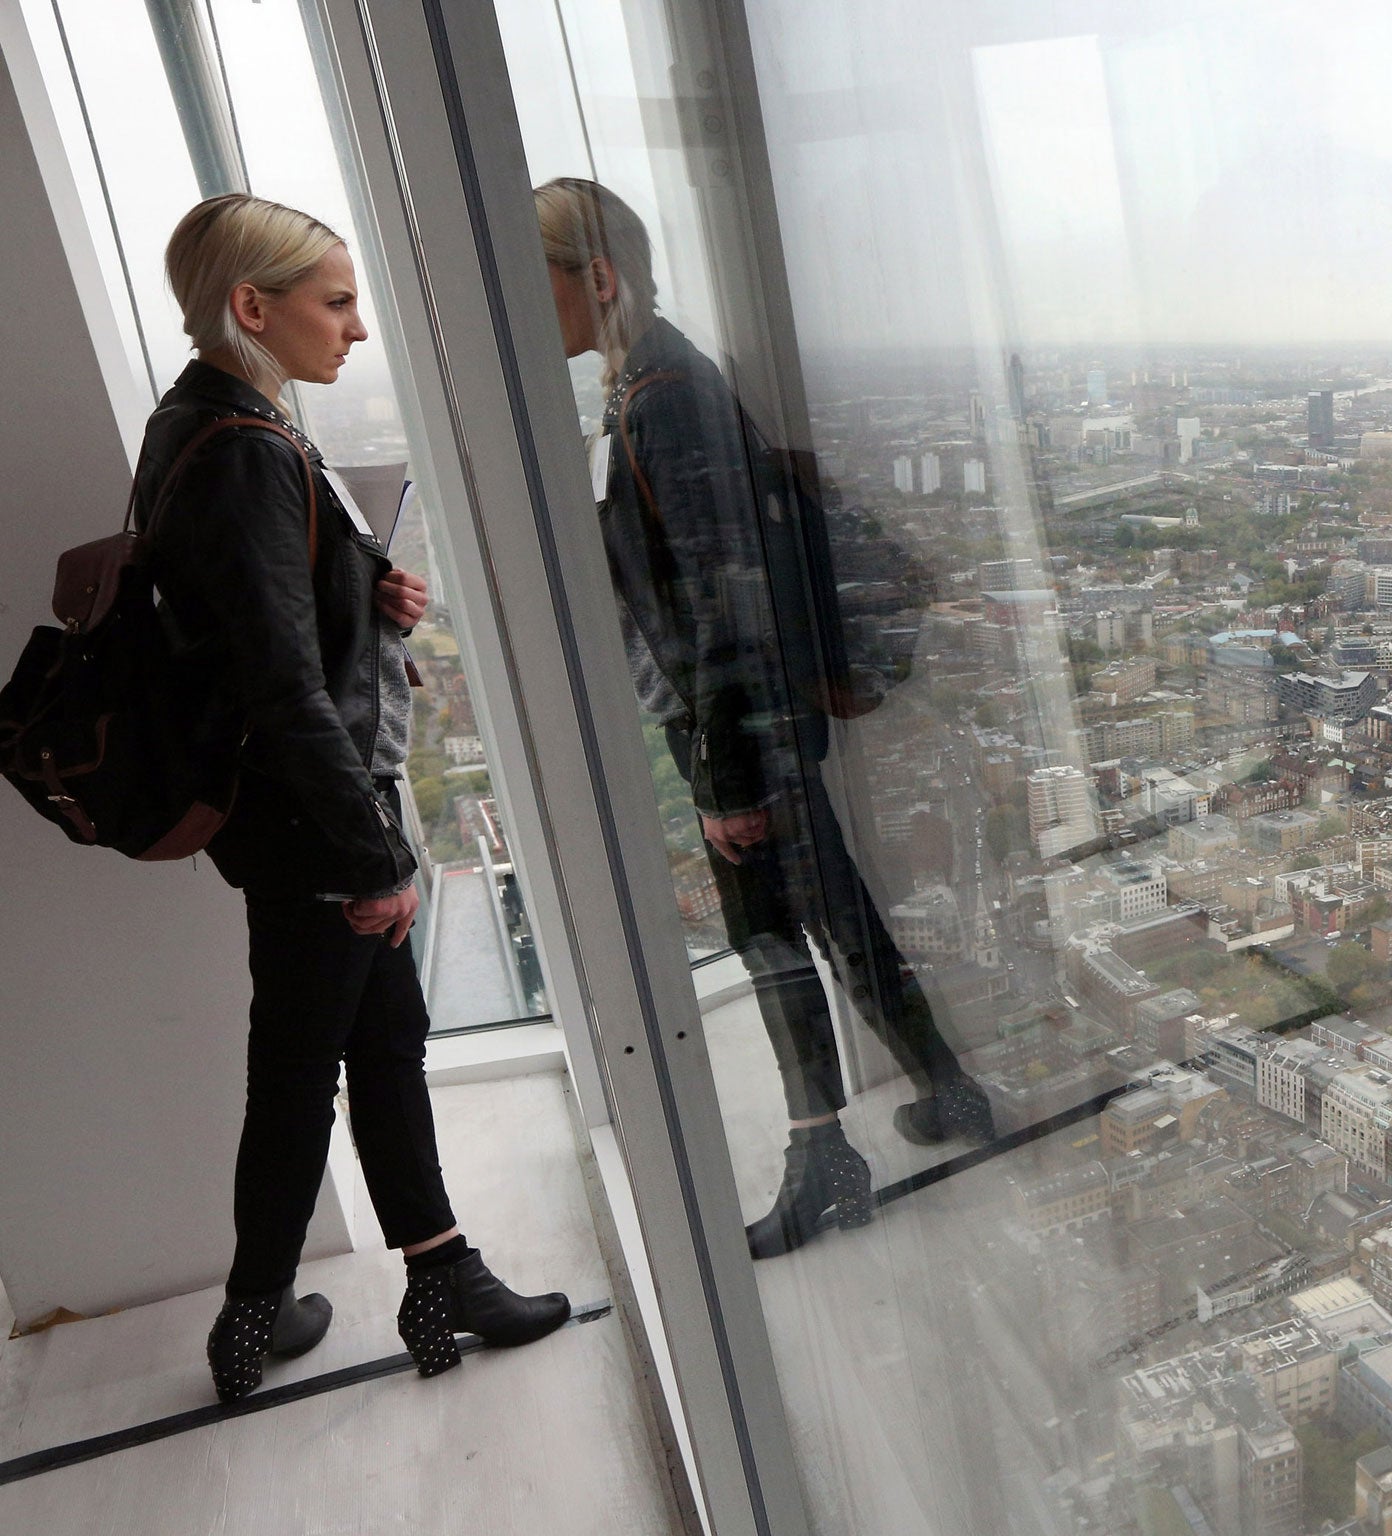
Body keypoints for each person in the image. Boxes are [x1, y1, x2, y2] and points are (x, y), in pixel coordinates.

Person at [141, 194, 569, 1400]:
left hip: (288, 812)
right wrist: (370, 856)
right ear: (251, 307)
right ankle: (250, 1323)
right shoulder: (246, 452)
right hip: (309, 817)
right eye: (335, 303)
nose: (356, 330)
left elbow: (244, 624)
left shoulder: (198, 422)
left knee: (380, 1044)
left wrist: (361, 591)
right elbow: (277, 678)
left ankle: (440, 1283)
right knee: (302, 1069)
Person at [533, 178, 994, 1259]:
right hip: (757, 720)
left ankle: (820, 1155)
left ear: (596, 280)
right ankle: (946, 1088)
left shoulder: (661, 396)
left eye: (533, 282)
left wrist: (726, 778)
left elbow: (722, 599)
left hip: (742, 730)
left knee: (769, 935)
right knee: (829, 908)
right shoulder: (655, 379)